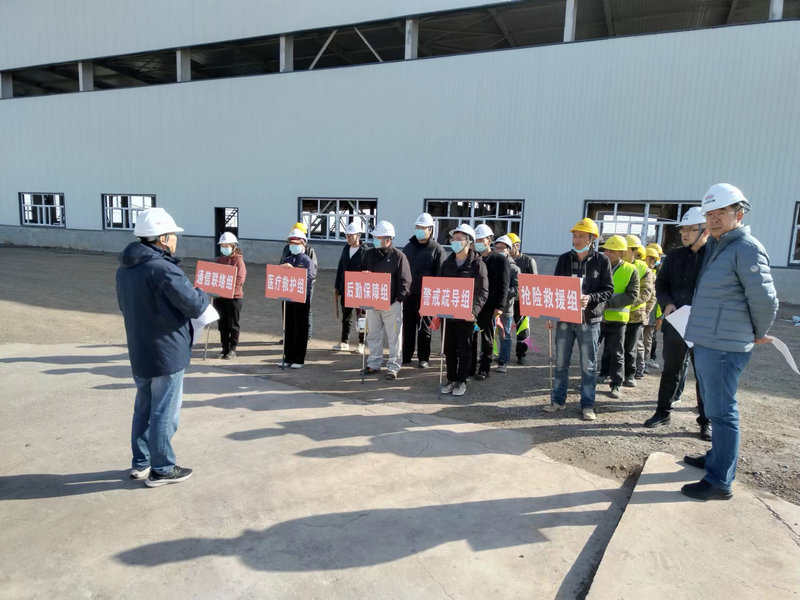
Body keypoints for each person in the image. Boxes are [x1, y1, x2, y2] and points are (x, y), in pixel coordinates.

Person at [682, 184, 778, 501]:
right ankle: (716, 458)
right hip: (709, 340)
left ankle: (719, 481)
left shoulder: (746, 248)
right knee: (714, 408)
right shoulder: (718, 246)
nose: (714, 219)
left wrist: (757, 331)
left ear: (739, 214)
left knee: (723, 413)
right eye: (710, 213)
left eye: (721, 212)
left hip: (725, 345)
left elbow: (765, 300)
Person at [116, 207, 209, 487]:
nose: (176, 239)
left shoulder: (125, 270)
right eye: (173, 234)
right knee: (164, 411)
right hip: (167, 351)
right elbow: (194, 304)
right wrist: (202, 293)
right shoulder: (164, 269)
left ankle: (141, 462)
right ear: (163, 238)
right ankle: (163, 468)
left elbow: (124, 306)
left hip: (140, 348)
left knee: (144, 408)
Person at [643, 206, 711, 438]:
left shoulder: (715, 257)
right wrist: (667, 303)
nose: (685, 234)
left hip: (703, 325)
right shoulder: (674, 256)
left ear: (705, 230)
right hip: (676, 322)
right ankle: (663, 412)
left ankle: (706, 420)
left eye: (691, 229)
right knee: (671, 369)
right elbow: (661, 284)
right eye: (683, 229)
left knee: (703, 374)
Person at [543, 218, 613, 420]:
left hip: (589, 321)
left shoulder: (602, 261)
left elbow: (608, 290)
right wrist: (550, 314)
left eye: (582, 236)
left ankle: (587, 405)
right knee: (561, 363)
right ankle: (558, 401)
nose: (577, 239)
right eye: (575, 235)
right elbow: (555, 287)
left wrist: (590, 298)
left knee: (588, 366)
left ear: (592, 239)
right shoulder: (564, 259)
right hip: (565, 319)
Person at [438, 224, 489, 396]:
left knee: (464, 349)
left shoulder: (477, 265)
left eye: (459, 239)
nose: (454, 242)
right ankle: (451, 378)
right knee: (449, 348)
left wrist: (473, 311)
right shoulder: (447, 263)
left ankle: (462, 380)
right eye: (453, 239)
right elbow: (439, 285)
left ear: (469, 242)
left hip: (466, 316)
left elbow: (482, 292)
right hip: (448, 315)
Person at [361, 220, 412, 380]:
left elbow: (405, 281)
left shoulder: (399, 256)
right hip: (372, 303)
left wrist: (397, 300)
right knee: (373, 335)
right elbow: (361, 274)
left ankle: (393, 366)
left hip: (391, 304)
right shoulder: (369, 254)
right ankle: (374, 363)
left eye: (379, 237)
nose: (375, 240)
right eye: (375, 237)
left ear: (388, 239)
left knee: (394, 337)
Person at [402, 212, 447, 368]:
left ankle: (423, 358)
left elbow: (440, 275)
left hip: (426, 296)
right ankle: (406, 355)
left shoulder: (437, 250)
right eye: (417, 227)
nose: (419, 230)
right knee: (408, 327)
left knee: (424, 328)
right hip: (408, 295)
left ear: (430, 230)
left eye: (423, 228)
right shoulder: (408, 247)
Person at [598, 235, 639, 399]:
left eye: (612, 251)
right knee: (592, 351)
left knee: (616, 353)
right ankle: (600, 375)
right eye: (606, 250)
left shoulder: (631, 270)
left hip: (618, 319)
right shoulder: (598, 266)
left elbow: (632, 295)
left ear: (622, 253)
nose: (607, 253)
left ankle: (616, 383)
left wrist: (609, 303)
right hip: (597, 317)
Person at [471, 223, 510, 380]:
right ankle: (470, 366)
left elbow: (504, 285)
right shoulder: (472, 258)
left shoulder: (500, 260)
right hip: (473, 304)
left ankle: (484, 368)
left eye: (481, 240)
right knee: (471, 335)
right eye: (476, 240)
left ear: (489, 240)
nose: (478, 243)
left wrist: (499, 306)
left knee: (486, 337)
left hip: (489, 305)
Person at [280, 228, 316, 368]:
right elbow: (279, 276)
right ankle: (288, 357)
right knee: (289, 328)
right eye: (291, 243)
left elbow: (310, 276)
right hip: (288, 299)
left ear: (303, 244)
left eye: (296, 243)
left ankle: (299, 359)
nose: (293, 246)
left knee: (300, 328)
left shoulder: (307, 260)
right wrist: (283, 269)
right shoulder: (287, 259)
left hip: (302, 299)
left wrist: (294, 272)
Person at [622, 235, 654, 386]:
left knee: (631, 347)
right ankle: (609, 372)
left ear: (634, 251)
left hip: (635, 315)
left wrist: (628, 303)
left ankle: (631, 374)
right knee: (613, 347)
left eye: (626, 249)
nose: (622, 252)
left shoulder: (643, 269)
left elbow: (647, 292)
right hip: (616, 314)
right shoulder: (616, 265)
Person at [333, 222, 366, 354]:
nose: (349, 238)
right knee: (346, 317)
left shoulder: (365, 251)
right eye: (347, 235)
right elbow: (340, 268)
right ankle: (344, 342)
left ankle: (362, 343)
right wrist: (337, 286)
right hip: (345, 288)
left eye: (351, 236)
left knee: (361, 318)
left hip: (359, 290)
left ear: (358, 235)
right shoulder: (345, 249)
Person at [214, 232, 247, 359]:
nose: (224, 248)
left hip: (234, 297)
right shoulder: (220, 260)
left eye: (227, 246)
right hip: (220, 297)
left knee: (233, 324)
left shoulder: (238, 260)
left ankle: (233, 348)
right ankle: (224, 347)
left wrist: (229, 290)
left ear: (234, 246)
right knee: (222, 324)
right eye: (222, 246)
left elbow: (240, 279)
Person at [508, 232, 538, 365]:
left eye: (510, 246)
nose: (508, 249)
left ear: (517, 246)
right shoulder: (504, 260)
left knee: (523, 330)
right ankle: (503, 354)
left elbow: (534, 282)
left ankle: (521, 354)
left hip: (522, 302)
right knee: (504, 329)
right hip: (508, 301)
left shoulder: (528, 261)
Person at [493, 235, 520, 373]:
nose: (499, 250)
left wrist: (501, 293)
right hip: (490, 306)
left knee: (505, 335)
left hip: (505, 308)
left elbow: (517, 288)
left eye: (502, 248)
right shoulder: (491, 263)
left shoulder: (514, 268)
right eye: (497, 247)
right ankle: (486, 355)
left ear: (508, 249)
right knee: (488, 333)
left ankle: (503, 360)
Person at [640, 245, 663, 372]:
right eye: (652, 258)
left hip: (651, 312)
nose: (655, 261)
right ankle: (639, 363)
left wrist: (659, 316)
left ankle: (645, 361)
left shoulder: (657, 274)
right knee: (638, 339)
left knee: (647, 338)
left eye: (656, 258)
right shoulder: (641, 271)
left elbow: (656, 298)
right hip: (640, 311)